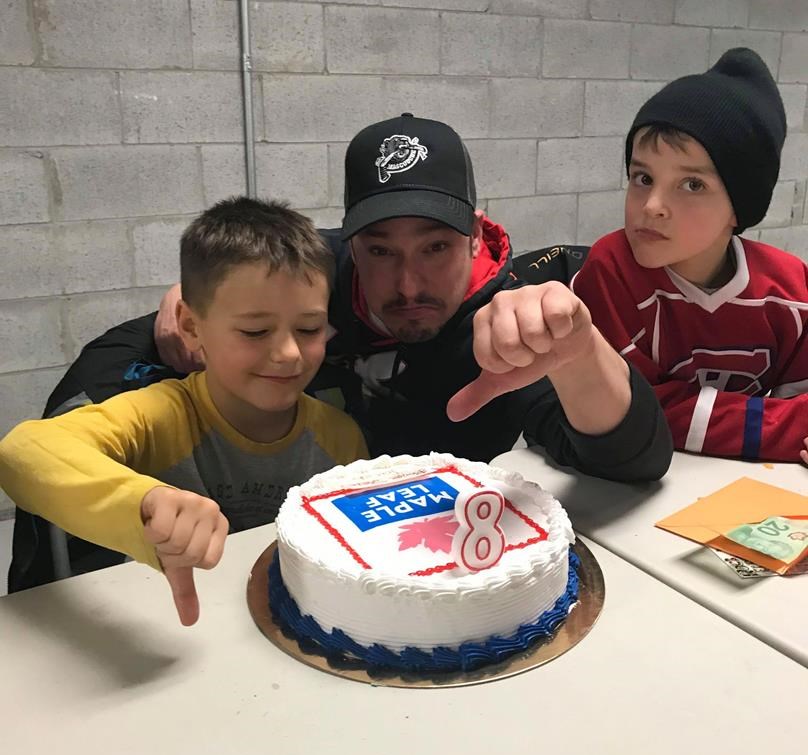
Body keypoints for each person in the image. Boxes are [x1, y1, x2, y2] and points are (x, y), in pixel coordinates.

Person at [7, 114, 674, 593]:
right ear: (348, 243)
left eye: (435, 247)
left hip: (417, 570)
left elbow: (633, 463)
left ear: (474, 236)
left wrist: (581, 350)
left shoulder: (511, 324)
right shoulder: (309, 273)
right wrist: (167, 337)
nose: (407, 283)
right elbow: (104, 384)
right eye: (380, 250)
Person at [0, 198, 368, 622]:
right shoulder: (161, 414)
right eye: (255, 331)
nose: (287, 353)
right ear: (192, 328)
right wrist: (144, 502)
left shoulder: (341, 437)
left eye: (308, 329)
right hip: (170, 633)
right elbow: (23, 451)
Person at [570, 48, 808, 464]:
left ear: (740, 208)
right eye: (643, 178)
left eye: (692, 185)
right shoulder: (609, 272)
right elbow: (641, 413)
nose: (652, 205)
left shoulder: (791, 289)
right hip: (627, 491)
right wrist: (782, 431)